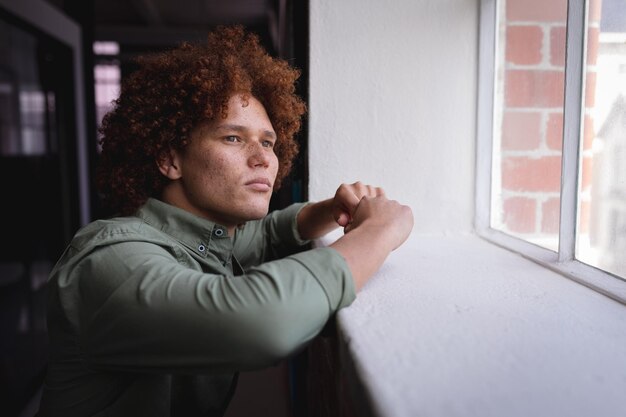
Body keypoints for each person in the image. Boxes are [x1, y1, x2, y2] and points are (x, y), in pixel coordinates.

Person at [37, 25, 413, 417]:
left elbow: (267, 234)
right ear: (170, 159)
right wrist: (377, 233)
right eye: (233, 138)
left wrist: (330, 208)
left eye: (268, 142)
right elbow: (264, 325)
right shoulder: (109, 261)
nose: (264, 158)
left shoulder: (204, 236)